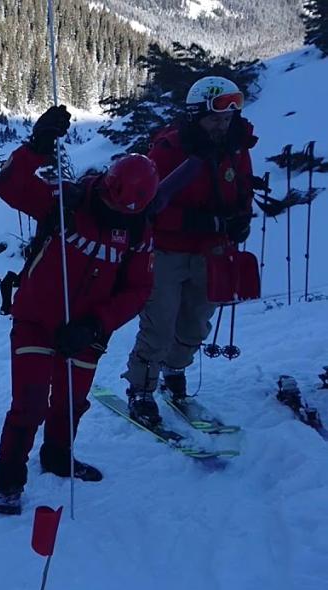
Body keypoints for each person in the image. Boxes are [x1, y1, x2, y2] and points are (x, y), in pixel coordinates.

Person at [0, 106, 159, 515]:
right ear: (104, 184)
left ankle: (56, 457)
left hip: (86, 330)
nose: (114, 211)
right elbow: (9, 187)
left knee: (70, 402)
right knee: (29, 403)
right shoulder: (67, 199)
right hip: (35, 320)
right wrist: (37, 147)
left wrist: (96, 324)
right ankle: (9, 481)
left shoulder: (137, 231)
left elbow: (139, 289)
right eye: (110, 201)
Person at [122, 76, 257, 426]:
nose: (222, 124)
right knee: (159, 323)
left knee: (196, 322)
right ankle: (141, 387)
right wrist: (203, 222)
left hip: (211, 252)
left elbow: (242, 188)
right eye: (215, 118)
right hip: (166, 250)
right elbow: (151, 203)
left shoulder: (236, 146)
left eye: (228, 118)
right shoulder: (169, 149)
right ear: (197, 115)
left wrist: (242, 218)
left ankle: (174, 370)